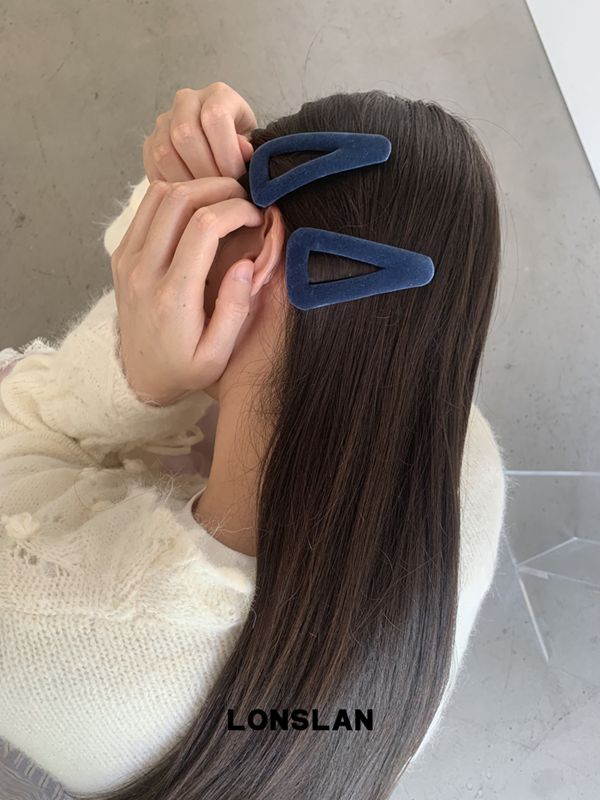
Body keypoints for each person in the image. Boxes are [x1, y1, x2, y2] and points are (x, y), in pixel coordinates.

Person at [0, 82, 507, 800]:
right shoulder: (467, 462)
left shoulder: (53, 610)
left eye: (211, 208)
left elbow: (22, 422)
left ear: (260, 257)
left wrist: (138, 380)